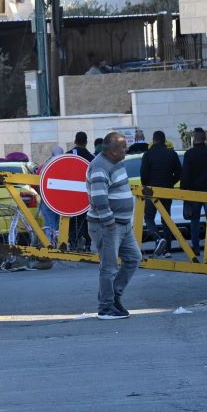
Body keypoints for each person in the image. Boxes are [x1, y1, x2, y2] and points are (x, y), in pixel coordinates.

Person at [87, 132, 141, 320]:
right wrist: (109, 222)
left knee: (134, 258)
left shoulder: (116, 162)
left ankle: (114, 297)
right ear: (110, 150)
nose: (126, 149)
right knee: (109, 268)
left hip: (123, 225)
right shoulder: (99, 166)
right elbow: (99, 198)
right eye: (122, 147)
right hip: (108, 225)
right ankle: (106, 307)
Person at [181, 127, 207, 255]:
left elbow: (185, 175)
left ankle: (196, 247)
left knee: (195, 221)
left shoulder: (189, 154)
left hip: (194, 192)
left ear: (194, 139)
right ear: (205, 138)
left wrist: (184, 191)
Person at [139, 130, 181, 256]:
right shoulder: (171, 154)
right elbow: (179, 173)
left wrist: (148, 186)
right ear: (164, 140)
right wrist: (170, 183)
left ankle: (158, 238)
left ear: (154, 140)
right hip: (167, 191)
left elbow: (143, 176)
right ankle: (167, 250)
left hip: (151, 191)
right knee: (166, 218)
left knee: (149, 217)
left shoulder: (148, 155)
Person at [68, 132, 94, 250]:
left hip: (70, 194)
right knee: (86, 220)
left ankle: (74, 242)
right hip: (87, 194)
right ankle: (87, 243)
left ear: (75, 141)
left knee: (72, 220)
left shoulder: (67, 156)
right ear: (86, 142)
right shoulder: (91, 158)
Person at [39, 146, 65, 245]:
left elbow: (39, 183)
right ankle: (59, 245)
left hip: (47, 200)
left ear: (52, 154)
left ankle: (49, 245)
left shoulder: (45, 165)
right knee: (59, 225)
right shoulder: (66, 164)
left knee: (49, 224)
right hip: (61, 201)